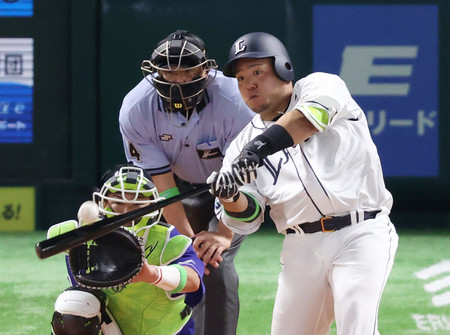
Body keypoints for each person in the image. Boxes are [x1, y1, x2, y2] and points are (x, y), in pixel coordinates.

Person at [208, 32, 399, 335]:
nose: (249, 84)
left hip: (360, 232)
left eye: (257, 71)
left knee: (357, 327)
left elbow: (305, 121)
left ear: (283, 67)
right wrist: (231, 196)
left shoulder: (322, 85)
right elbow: (248, 216)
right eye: (241, 78)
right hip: (301, 246)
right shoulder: (239, 145)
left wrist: (257, 151)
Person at [118, 30, 255, 334]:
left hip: (235, 183)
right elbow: (162, 183)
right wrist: (186, 240)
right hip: (177, 187)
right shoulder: (136, 108)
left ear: (206, 70)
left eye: (186, 71)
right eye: (168, 71)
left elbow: (248, 175)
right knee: (177, 258)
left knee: (214, 262)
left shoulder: (236, 101)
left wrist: (223, 234)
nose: (176, 80)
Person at [48, 165, 205, 335]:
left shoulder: (169, 239)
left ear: (153, 205)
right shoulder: (86, 240)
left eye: (137, 203)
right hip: (113, 327)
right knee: (73, 303)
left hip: (166, 330)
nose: (126, 213)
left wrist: (152, 274)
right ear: (104, 203)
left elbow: (193, 281)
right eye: (118, 202)